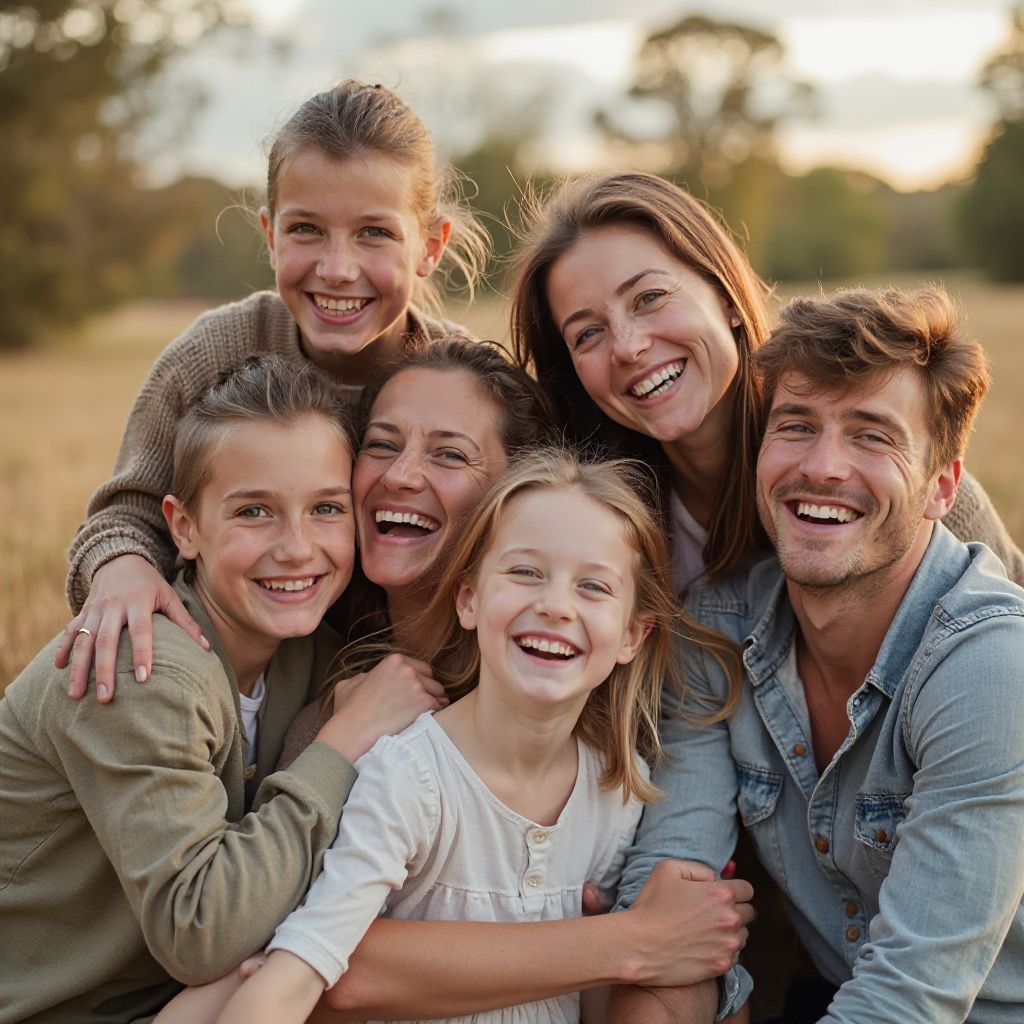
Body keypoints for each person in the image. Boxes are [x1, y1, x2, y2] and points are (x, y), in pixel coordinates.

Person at [152, 448, 746, 1024]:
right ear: (469, 599)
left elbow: (588, 994)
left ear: (632, 637)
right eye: (525, 572)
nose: (556, 606)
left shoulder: (617, 791)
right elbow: (291, 979)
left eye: (593, 587)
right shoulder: (409, 778)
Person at [613, 288, 1024, 1023]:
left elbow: (909, 1000)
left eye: (872, 436)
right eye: (797, 426)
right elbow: (667, 894)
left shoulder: (990, 666)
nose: (824, 466)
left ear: (941, 487)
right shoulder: (717, 628)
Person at [0, 358, 445, 1024]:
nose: (296, 548)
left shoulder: (309, 656)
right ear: (184, 528)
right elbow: (201, 933)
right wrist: (343, 741)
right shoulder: (143, 670)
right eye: (254, 512)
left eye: (326, 509)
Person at [59, 79, 488, 700]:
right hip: (231, 675)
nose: (336, 268)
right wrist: (121, 567)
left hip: (415, 681)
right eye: (306, 229)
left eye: (374, 233)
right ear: (269, 234)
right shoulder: (212, 353)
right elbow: (127, 513)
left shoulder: (465, 384)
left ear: (430, 246)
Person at [511, 172, 1024, 593]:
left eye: (649, 298)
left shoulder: (872, 467)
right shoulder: (596, 517)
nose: (626, 347)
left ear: (726, 297)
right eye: (587, 334)